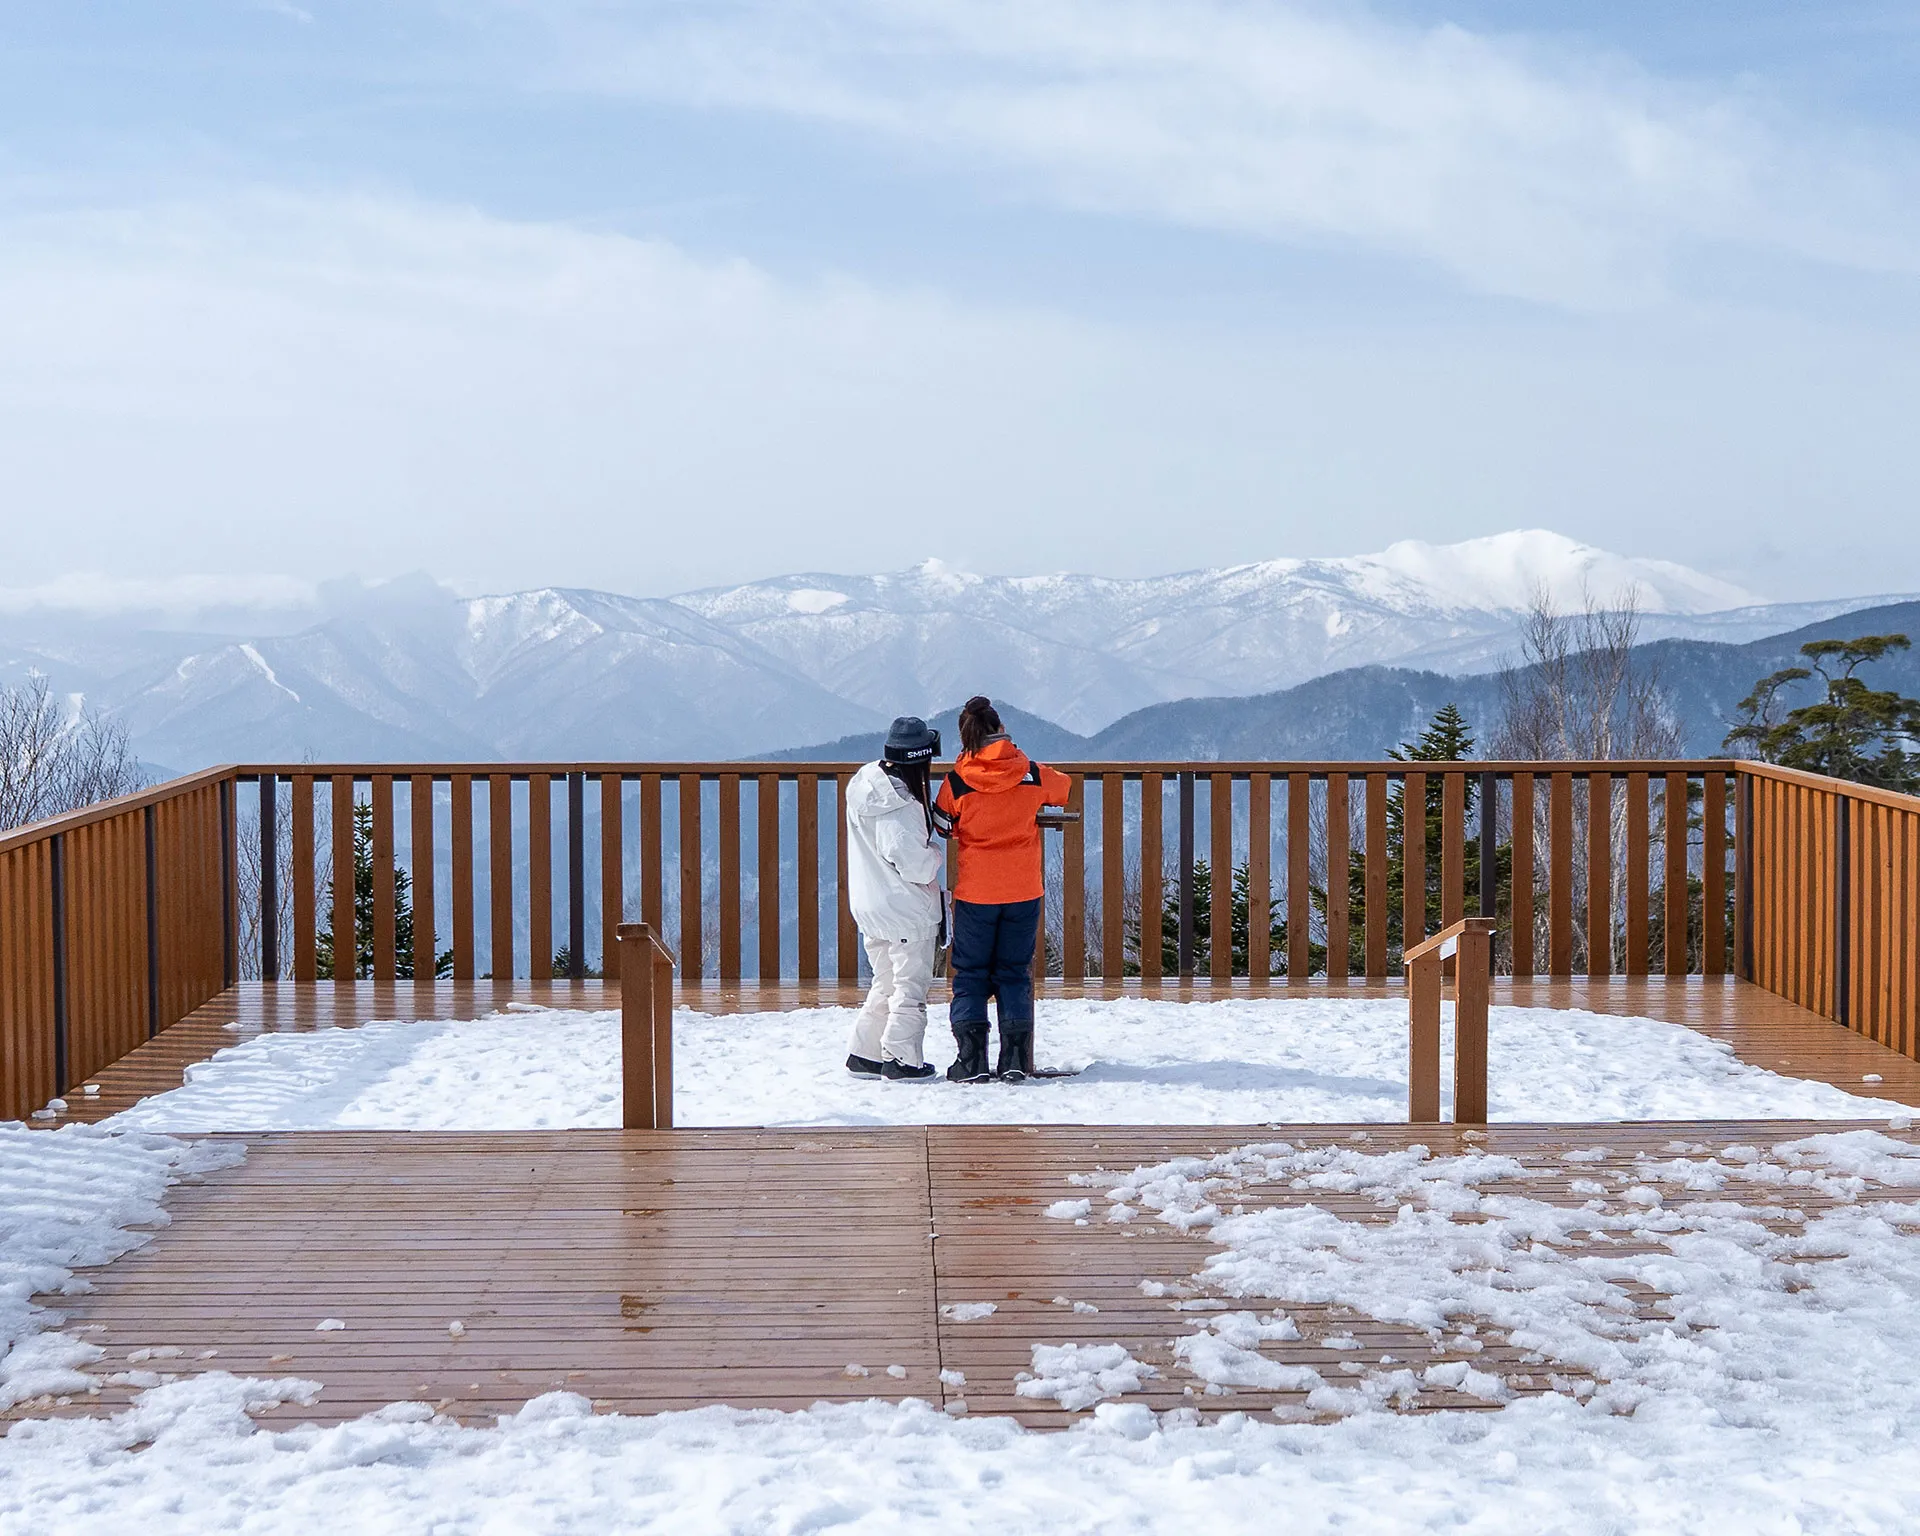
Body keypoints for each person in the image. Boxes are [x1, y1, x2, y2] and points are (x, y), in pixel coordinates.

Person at [934, 696, 1070, 1083]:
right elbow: (1065, 789)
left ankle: (971, 1059)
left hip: (977, 892)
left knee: (971, 973)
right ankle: (1013, 1057)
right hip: (1024, 888)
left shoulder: (958, 781)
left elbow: (944, 825)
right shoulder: (1030, 773)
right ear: (1000, 731)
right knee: (1013, 971)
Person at [843, 716, 948, 1081]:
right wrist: (936, 852)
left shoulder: (865, 784)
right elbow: (916, 866)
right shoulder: (902, 805)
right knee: (909, 986)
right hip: (906, 911)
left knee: (885, 981)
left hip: (870, 906)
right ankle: (902, 1059)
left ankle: (866, 1053)